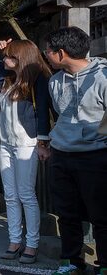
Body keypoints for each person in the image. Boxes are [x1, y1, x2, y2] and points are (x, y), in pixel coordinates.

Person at [41, 27, 107, 275]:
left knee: (102, 215)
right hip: (62, 154)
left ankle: (104, 264)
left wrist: (94, 137)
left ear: (61, 53)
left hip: (96, 156)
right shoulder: (55, 81)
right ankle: (71, 261)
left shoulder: (102, 77)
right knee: (67, 214)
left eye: (48, 51)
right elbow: (59, 115)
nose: (45, 55)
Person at [0, 38, 52, 265]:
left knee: (26, 195)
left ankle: (31, 244)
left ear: (22, 58)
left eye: (11, 56)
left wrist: (42, 142)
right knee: (11, 196)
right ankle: (14, 241)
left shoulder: (37, 79)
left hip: (26, 143)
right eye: (5, 56)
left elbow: (43, 110)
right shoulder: (5, 79)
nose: (5, 59)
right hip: (6, 143)